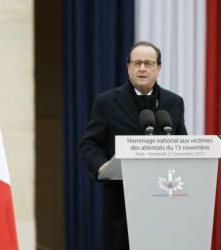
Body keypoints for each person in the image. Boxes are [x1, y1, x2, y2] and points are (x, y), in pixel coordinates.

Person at [79, 41, 187, 250]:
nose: (142, 68)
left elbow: (181, 141)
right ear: (128, 67)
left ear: (159, 68)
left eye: (149, 63)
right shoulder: (107, 102)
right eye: (137, 63)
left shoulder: (174, 102)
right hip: (122, 203)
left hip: (165, 199)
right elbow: (89, 143)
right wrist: (102, 167)